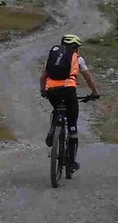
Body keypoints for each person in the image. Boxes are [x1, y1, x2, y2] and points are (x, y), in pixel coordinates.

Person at [40, 33, 100, 173]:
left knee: (57, 108)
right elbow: (88, 79)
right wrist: (95, 93)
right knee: (72, 123)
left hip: (52, 91)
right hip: (69, 91)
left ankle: (53, 129)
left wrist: (43, 91)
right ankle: (71, 162)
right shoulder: (78, 59)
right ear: (75, 47)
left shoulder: (53, 58)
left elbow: (43, 77)